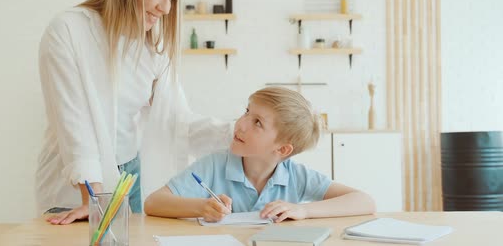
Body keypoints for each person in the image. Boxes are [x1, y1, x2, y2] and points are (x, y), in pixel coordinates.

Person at [35, 0, 231, 225]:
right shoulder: (69, 29)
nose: (166, 8)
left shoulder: (152, 48)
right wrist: (93, 198)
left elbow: (176, 120)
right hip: (76, 183)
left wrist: (241, 134)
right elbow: (73, 120)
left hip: (129, 176)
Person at [144, 87, 376, 222]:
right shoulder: (213, 165)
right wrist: (201, 207)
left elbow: (365, 201)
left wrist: (303, 210)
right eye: (246, 112)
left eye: (257, 122)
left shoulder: (296, 175)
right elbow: (153, 203)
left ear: (282, 149)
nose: (241, 124)